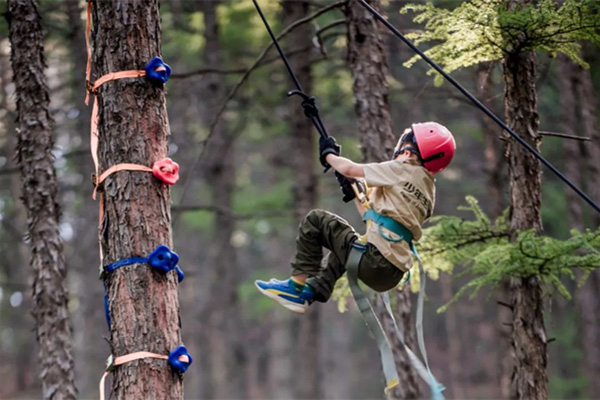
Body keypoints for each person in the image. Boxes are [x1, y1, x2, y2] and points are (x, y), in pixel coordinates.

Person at [255, 122, 456, 314]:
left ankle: (295, 288)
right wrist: (354, 195)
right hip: (390, 274)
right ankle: (311, 291)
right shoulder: (428, 191)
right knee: (346, 248)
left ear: (409, 151)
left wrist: (329, 155)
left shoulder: (403, 168)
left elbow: (350, 169)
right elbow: (378, 222)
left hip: (375, 261)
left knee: (316, 220)